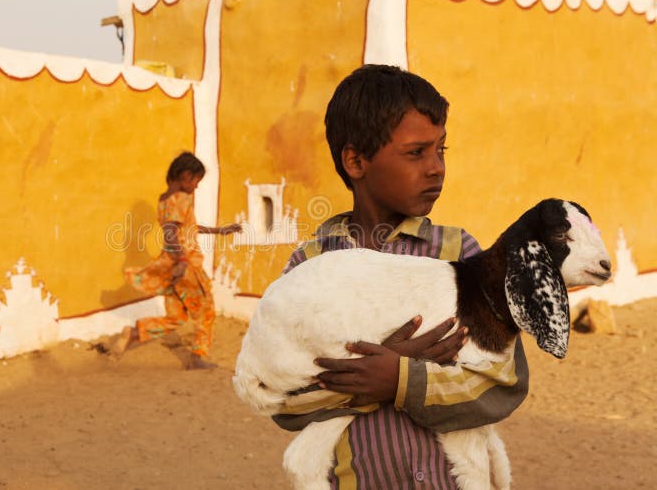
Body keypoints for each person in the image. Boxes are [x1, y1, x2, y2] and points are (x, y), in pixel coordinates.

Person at [274, 65, 529, 488]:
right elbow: (283, 399)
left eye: (442, 150)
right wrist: (372, 374)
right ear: (356, 161)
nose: (436, 168)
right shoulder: (310, 269)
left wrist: (402, 379)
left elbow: (504, 383)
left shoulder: (460, 257)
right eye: (416, 153)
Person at [119, 151, 240, 370]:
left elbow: (183, 227)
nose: (196, 186)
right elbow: (171, 233)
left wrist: (218, 231)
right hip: (186, 266)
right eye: (196, 180)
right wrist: (183, 261)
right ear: (185, 176)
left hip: (171, 262)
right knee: (206, 311)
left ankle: (136, 332)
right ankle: (197, 356)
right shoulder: (181, 198)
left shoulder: (164, 200)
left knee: (178, 316)